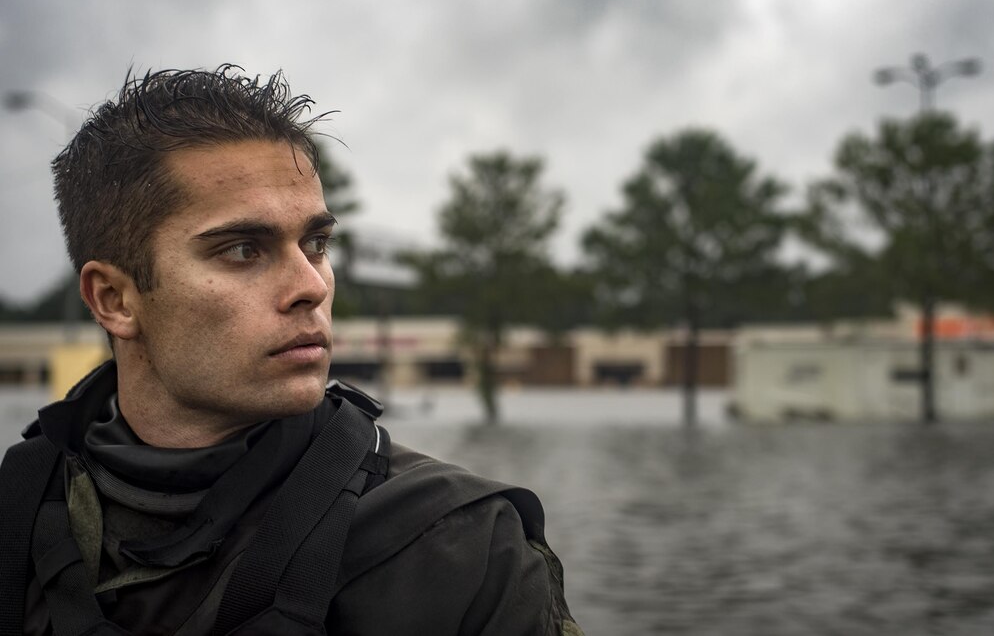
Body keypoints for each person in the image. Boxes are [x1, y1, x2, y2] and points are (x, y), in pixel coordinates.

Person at [0, 66, 583, 635]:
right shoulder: (17, 518)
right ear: (115, 300)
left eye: (316, 242)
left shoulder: (463, 549)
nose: (312, 285)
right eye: (242, 250)